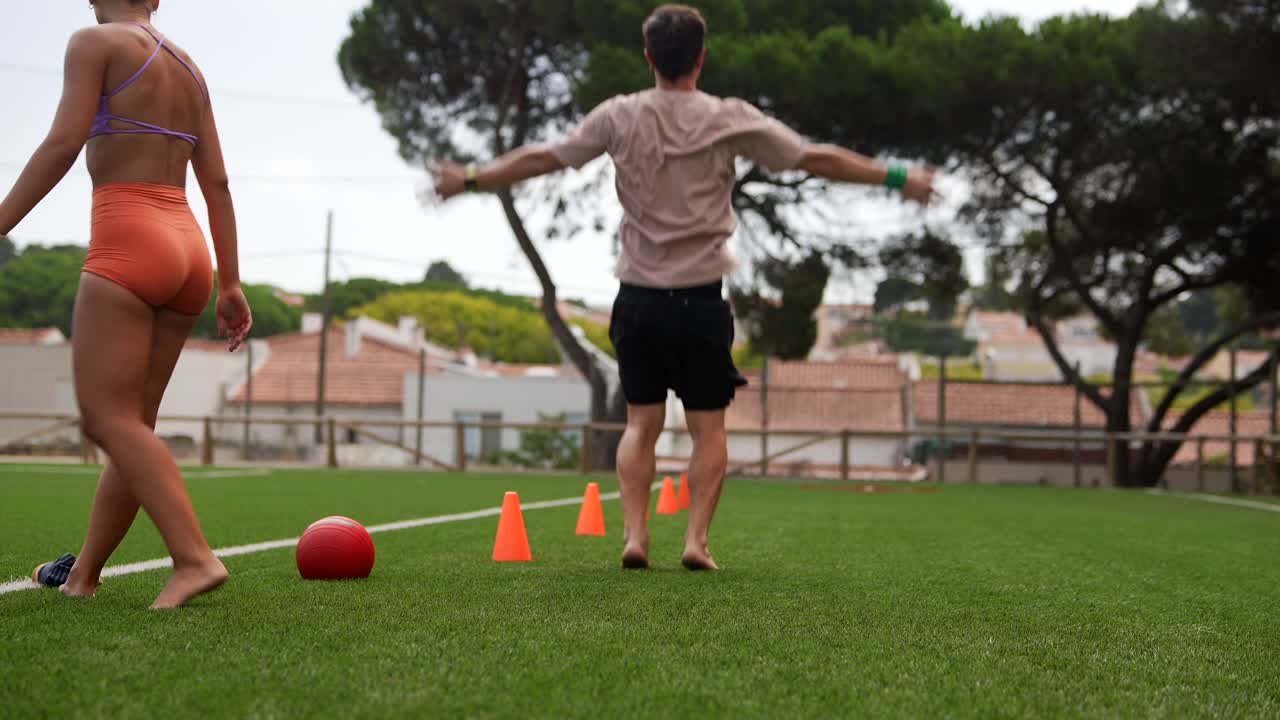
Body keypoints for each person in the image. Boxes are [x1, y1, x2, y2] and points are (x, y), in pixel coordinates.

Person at [433, 3, 937, 570]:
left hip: (639, 300)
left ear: (648, 57)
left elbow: (545, 157)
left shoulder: (617, 115)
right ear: (701, 57)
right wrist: (897, 176)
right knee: (707, 427)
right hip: (699, 300)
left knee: (641, 423)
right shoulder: (728, 117)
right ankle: (695, 541)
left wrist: (470, 178)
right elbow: (812, 157)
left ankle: (634, 536)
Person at [0, 0, 252, 608]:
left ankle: (193, 558)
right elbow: (216, 183)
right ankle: (83, 576)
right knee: (132, 427)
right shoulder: (190, 68)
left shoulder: (95, 43)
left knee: (106, 420)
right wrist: (231, 284)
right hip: (189, 248)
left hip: (128, 236)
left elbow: (63, 144)